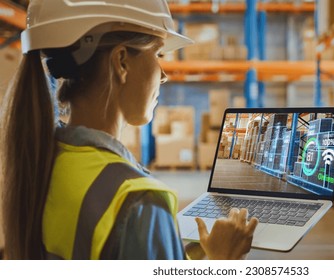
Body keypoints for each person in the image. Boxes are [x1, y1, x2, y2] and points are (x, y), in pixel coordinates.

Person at [0, 0, 258, 260]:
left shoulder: (40, 160)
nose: (164, 75)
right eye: (158, 54)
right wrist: (224, 260)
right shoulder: (138, 201)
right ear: (121, 62)